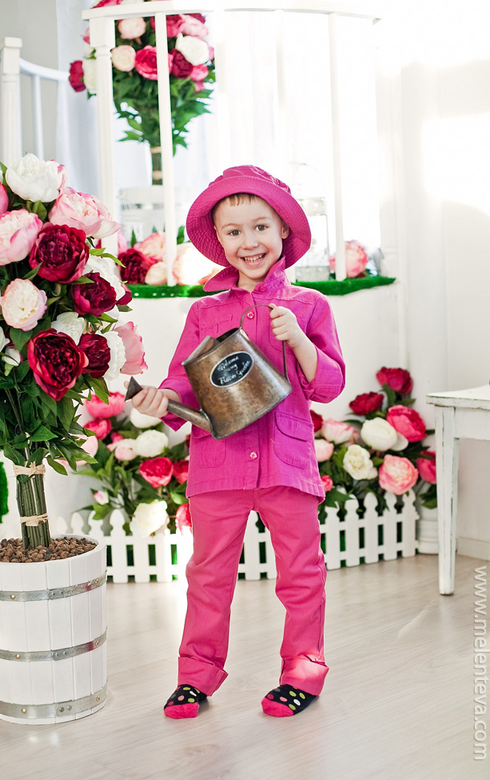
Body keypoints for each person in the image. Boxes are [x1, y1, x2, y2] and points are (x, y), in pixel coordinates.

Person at [129, 165, 345, 719]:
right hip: (217, 463)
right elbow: (182, 380)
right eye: (234, 231)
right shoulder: (204, 311)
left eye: (260, 227)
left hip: (287, 463)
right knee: (208, 575)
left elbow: (329, 385)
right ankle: (194, 677)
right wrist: (161, 399)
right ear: (219, 241)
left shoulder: (309, 306)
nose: (249, 242)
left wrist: (299, 342)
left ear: (283, 231)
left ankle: (302, 672)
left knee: (302, 572)